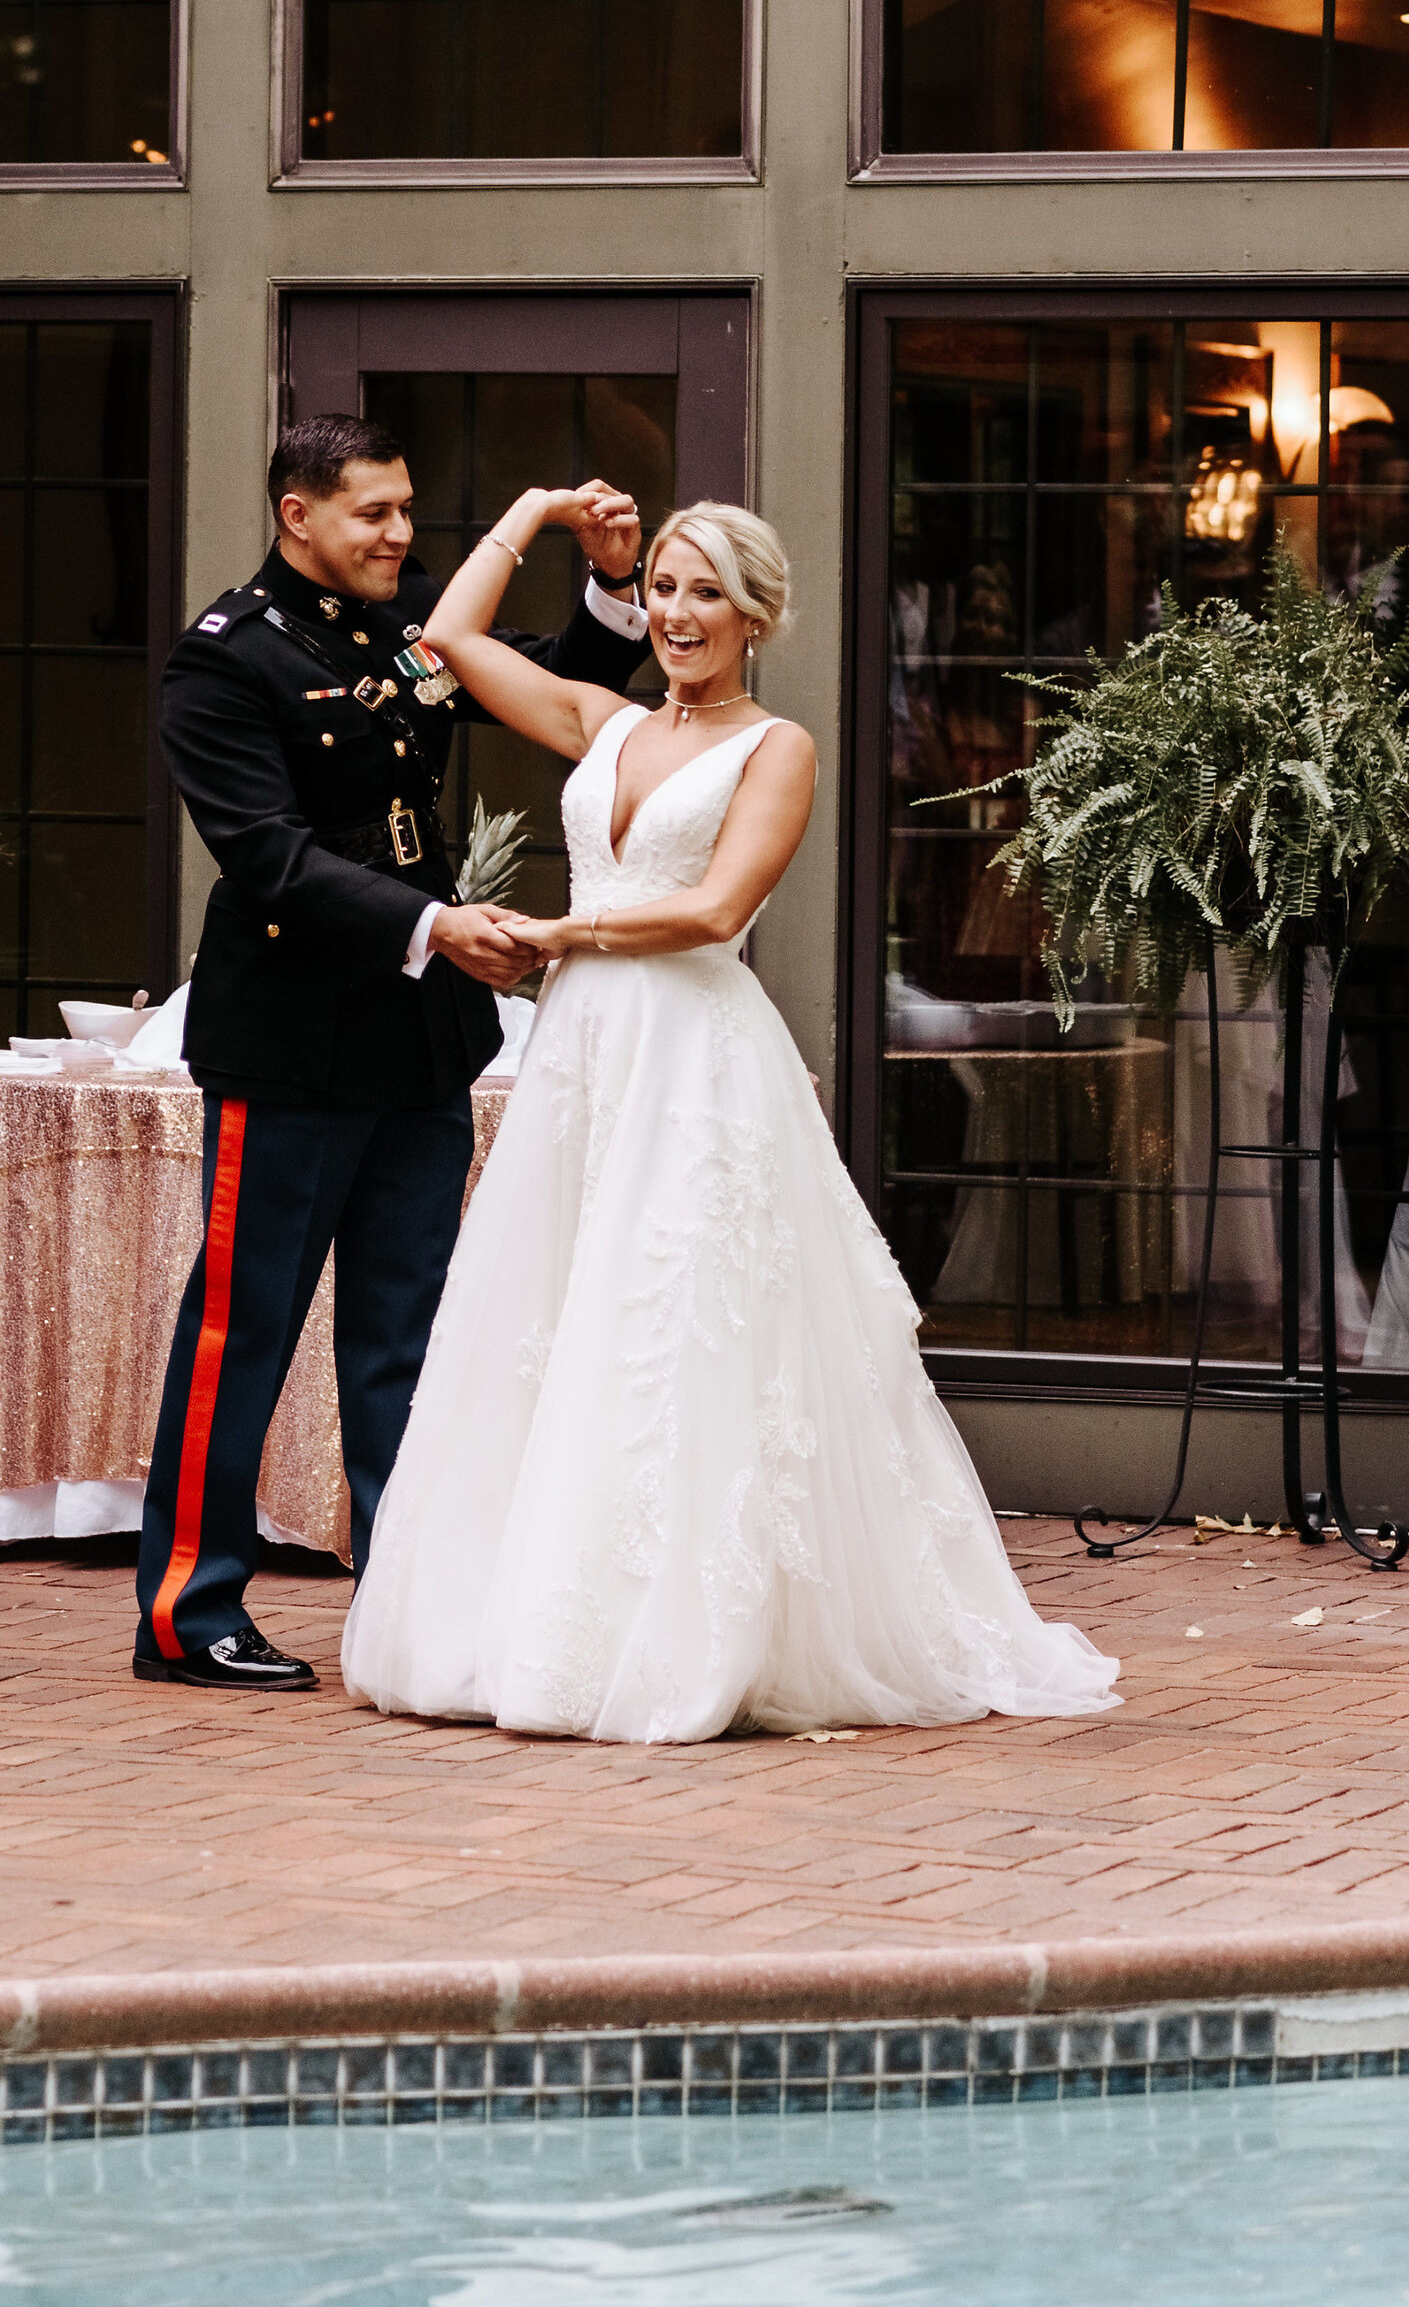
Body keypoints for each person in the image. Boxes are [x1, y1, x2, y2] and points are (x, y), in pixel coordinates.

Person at [340, 492, 1122, 1744]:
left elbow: (712, 912)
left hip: (692, 1058)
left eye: (704, 591)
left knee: (675, 1324)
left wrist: (558, 933)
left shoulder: (777, 749)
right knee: (557, 1311)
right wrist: (540, 516)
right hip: (585, 1060)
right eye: (660, 585)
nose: (675, 612)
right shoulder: (603, 723)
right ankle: (525, 1618)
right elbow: (443, 638)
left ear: (754, 613)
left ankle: (681, 1630)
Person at [133, 416, 653, 1692]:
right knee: (241, 1331)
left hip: (419, 1043)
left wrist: (609, 576)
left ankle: (404, 1598)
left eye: (407, 509)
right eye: (372, 513)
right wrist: (433, 923)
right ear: (295, 513)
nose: (399, 534)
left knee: (405, 1335)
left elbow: (550, 680)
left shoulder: (405, 618)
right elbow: (266, 856)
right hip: (293, 1044)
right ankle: (187, 1614)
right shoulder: (222, 662)